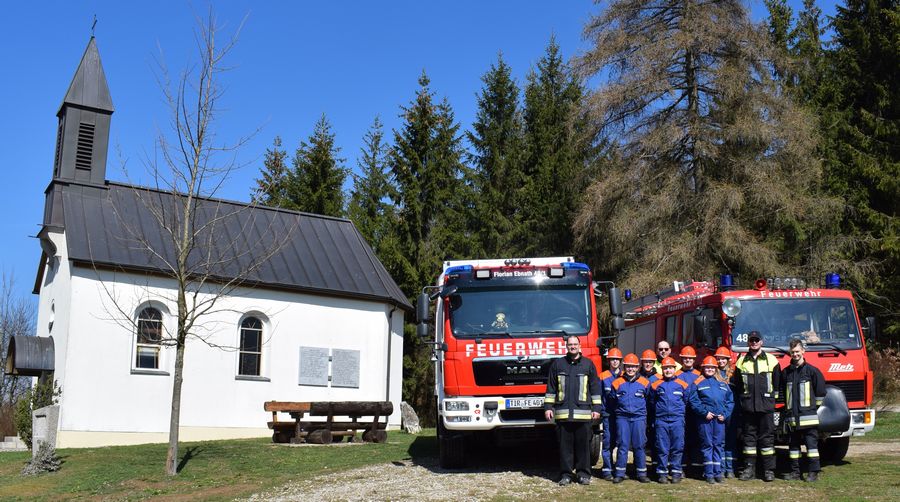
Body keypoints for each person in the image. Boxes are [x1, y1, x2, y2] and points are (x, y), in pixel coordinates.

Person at [544, 335, 603, 486]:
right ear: (566, 346)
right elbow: (551, 388)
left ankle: (583, 474)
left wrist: (596, 408)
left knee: (583, 447)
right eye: (570, 344)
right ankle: (566, 475)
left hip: (583, 415)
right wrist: (548, 407)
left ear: (579, 345)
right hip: (563, 414)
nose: (572, 347)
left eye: (575, 344)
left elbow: (595, 388)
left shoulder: (588, 365)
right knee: (565, 448)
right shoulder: (558, 364)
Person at [733, 330, 782, 482]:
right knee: (749, 440)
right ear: (748, 342)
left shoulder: (772, 360)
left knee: (767, 439)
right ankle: (749, 470)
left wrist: (771, 402)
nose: (754, 342)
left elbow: (777, 384)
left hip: (766, 407)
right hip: (748, 408)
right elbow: (739, 385)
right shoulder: (741, 361)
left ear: (761, 342)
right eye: (751, 340)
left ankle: (768, 471)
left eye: (756, 340)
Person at [781, 338, 826, 482]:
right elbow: (783, 393)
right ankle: (795, 472)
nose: (795, 354)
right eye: (792, 352)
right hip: (792, 419)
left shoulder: (812, 371)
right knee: (793, 448)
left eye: (797, 351)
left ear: (803, 351)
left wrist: (812, 409)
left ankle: (813, 473)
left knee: (812, 448)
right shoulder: (786, 373)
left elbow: (820, 393)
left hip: (808, 418)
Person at [689, 356, 734, 484]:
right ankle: (709, 473)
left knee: (718, 445)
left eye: (712, 367)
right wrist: (704, 413)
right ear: (703, 368)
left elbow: (730, 401)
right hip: (706, 420)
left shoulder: (723, 383)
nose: (709, 369)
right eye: (707, 367)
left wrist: (725, 414)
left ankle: (718, 473)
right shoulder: (697, 383)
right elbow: (693, 401)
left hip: (719, 420)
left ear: (716, 369)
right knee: (707, 445)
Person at [610, 353, 652, 484]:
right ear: (624, 367)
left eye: (633, 367)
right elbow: (612, 400)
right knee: (622, 445)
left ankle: (641, 473)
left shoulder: (645, 383)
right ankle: (620, 473)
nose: (631, 369)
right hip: (622, 418)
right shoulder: (617, 383)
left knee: (639, 445)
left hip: (639, 418)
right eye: (628, 367)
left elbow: (650, 400)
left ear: (638, 367)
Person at [650, 357, 690, 484]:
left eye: (670, 368)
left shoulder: (683, 385)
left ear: (674, 369)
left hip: (677, 420)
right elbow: (652, 401)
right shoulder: (655, 385)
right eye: (665, 368)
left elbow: (686, 401)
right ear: (662, 370)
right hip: (661, 420)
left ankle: (676, 472)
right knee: (662, 448)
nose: (668, 370)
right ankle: (662, 473)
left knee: (677, 447)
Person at [714, 346, 740, 478]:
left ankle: (730, 469)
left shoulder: (734, 374)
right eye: (719, 359)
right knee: (720, 440)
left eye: (723, 359)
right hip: (718, 411)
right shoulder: (713, 374)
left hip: (732, 412)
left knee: (731, 440)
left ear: (728, 360)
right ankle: (721, 467)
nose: (721, 361)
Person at [599, 348, 624, 480]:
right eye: (612, 359)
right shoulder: (603, 376)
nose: (615, 362)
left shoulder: (626, 375)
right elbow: (598, 395)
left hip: (622, 416)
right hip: (608, 415)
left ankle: (620, 469)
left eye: (617, 359)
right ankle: (607, 470)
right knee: (608, 442)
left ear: (620, 361)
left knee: (621, 442)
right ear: (608, 361)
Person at [676, 345, 702, 476]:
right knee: (682, 440)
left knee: (697, 439)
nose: (687, 360)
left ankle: (696, 469)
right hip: (681, 413)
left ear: (694, 360)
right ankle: (682, 467)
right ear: (681, 359)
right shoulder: (676, 375)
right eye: (685, 358)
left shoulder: (699, 375)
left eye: (690, 358)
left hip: (696, 413)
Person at [640, 349, 660, 475]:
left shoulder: (659, 378)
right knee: (640, 441)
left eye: (650, 362)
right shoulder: (637, 377)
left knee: (655, 440)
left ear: (654, 363)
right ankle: (640, 467)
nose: (647, 364)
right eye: (645, 362)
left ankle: (655, 466)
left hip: (654, 414)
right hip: (640, 414)